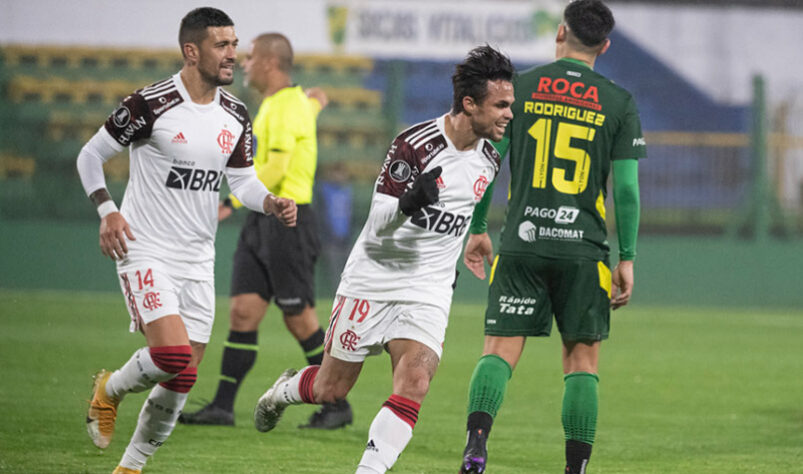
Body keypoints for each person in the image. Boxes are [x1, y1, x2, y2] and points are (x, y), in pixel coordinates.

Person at [254, 45, 515, 473]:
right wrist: (410, 202)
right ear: (470, 103)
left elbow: (478, 194)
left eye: (510, 105)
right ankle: (282, 392)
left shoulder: (489, 157)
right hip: (373, 280)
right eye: (500, 105)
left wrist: (479, 231)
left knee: (415, 383)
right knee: (330, 389)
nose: (508, 114)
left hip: (428, 290)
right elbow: (377, 224)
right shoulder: (413, 146)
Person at [76, 8, 296, 474]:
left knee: (186, 373)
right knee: (172, 355)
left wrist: (271, 201)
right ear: (191, 51)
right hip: (144, 247)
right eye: (222, 45)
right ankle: (110, 389)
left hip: (198, 257)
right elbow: (91, 155)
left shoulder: (236, 113)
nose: (233, 54)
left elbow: (242, 183)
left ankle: (130, 468)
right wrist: (107, 209)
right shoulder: (150, 104)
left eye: (235, 44)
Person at [457, 2, 645, 473]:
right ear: (604, 45)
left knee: (499, 351)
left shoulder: (518, 90)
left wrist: (478, 229)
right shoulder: (618, 102)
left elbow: (489, 163)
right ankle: (575, 469)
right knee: (582, 362)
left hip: (523, 243)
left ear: (560, 32)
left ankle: (476, 446)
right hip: (584, 251)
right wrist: (627, 257)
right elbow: (625, 188)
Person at [178, 32, 353, 429]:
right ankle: (222, 406)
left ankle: (337, 404)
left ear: (271, 64)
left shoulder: (285, 108)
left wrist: (229, 202)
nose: (244, 62)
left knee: (300, 318)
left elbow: (274, 170)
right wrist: (315, 102)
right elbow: (302, 113)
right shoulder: (285, 105)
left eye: (252, 56)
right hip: (263, 220)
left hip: (287, 220)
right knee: (242, 312)